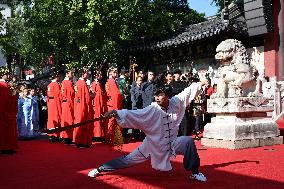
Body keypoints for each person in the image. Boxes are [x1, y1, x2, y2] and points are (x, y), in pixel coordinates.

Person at [88, 81, 207, 182]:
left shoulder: (176, 102)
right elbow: (134, 114)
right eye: (156, 95)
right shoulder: (152, 109)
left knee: (188, 142)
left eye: (160, 95)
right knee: (128, 159)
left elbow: (189, 91)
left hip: (171, 143)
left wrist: (201, 83)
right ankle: (101, 169)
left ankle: (195, 173)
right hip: (152, 145)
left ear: (167, 95)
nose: (157, 98)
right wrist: (115, 113)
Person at [0, 67, 18, 154]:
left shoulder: (4, 85)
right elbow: (8, 101)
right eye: (6, 74)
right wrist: (14, 95)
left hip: (3, 111)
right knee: (8, 130)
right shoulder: (4, 86)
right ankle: (7, 147)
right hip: (5, 112)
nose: (8, 76)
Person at [73, 68, 93, 148]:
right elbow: (87, 98)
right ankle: (83, 142)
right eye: (87, 73)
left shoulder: (77, 83)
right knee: (83, 124)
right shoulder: (83, 83)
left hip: (78, 106)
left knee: (78, 123)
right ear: (83, 74)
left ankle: (78, 141)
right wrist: (92, 95)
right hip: (83, 106)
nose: (88, 75)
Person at [104, 67, 123, 145]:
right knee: (113, 122)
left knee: (111, 122)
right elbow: (116, 95)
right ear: (110, 73)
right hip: (114, 105)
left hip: (112, 104)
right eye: (114, 72)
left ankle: (111, 139)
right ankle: (112, 139)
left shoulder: (111, 81)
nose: (116, 73)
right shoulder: (111, 81)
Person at [90, 71, 107, 142]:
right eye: (100, 74)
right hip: (96, 105)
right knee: (96, 120)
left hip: (99, 104)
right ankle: (96, 135)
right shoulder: (94, 83)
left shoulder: (99, 84)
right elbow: (92, 94)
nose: (101, 76)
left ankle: (99, 134)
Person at [47, 70, 62, 142]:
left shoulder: (49, 85)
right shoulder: (56, 85)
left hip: (50, 104)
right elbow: (58, 96)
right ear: (56, 76)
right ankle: (55, 135)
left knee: (51, 119)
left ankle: (51, 135)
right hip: (55, 103)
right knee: (56, 118)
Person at [60, 67, 75, 144]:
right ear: (67, 73)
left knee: (67, 119)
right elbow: (70, 94)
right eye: (71, 73)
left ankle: (66, 137)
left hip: (66, 103)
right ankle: (67, 137)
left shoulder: (65, 82)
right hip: (68, 103)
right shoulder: (67, 82)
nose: (72, 74)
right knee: (68, 119)